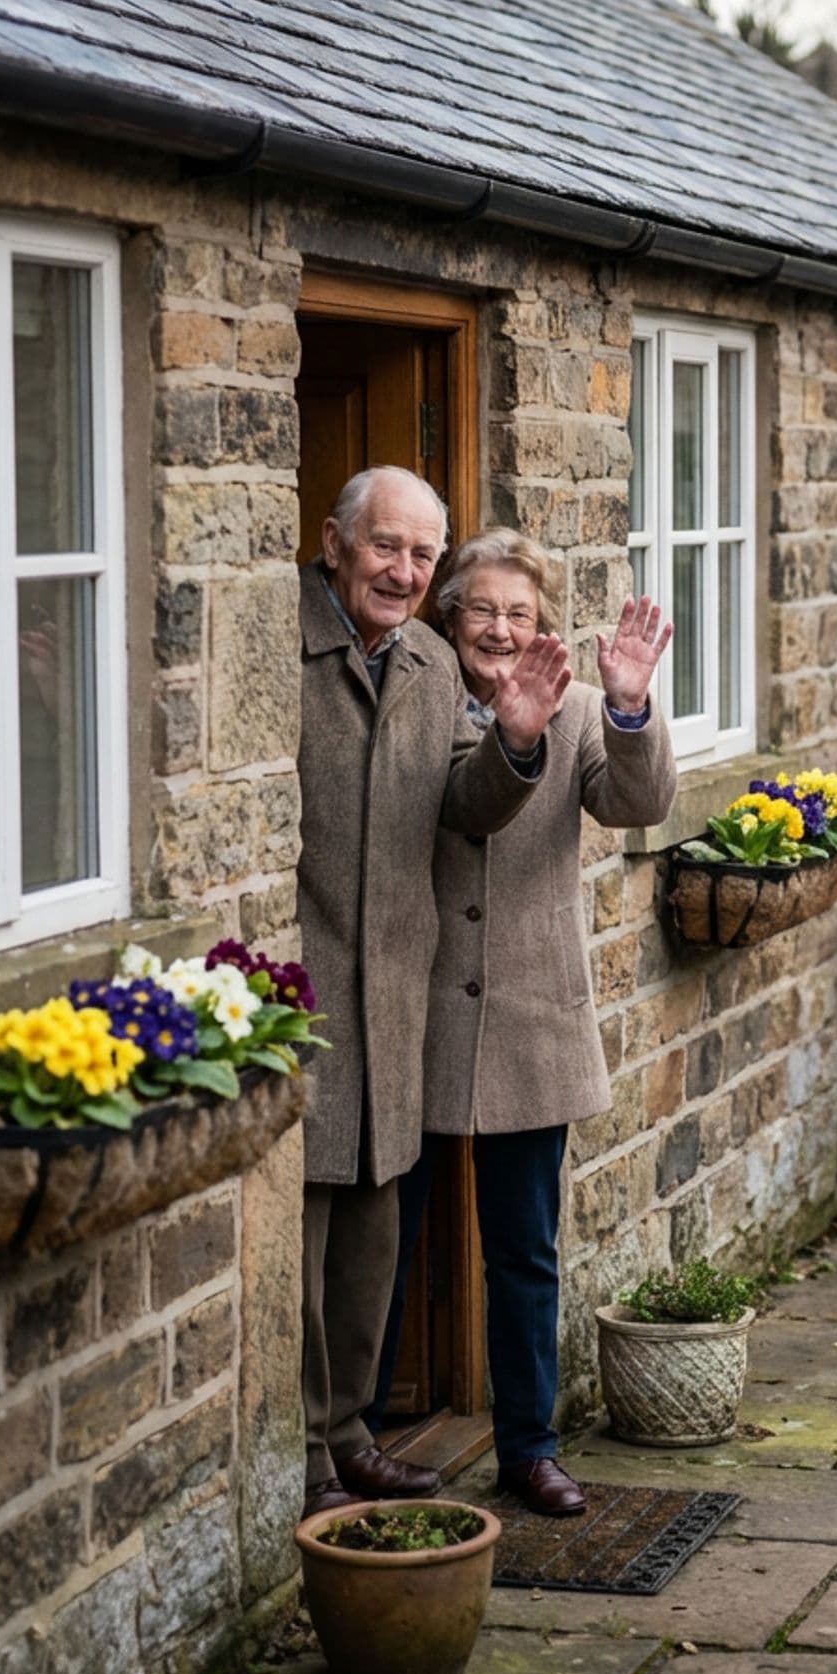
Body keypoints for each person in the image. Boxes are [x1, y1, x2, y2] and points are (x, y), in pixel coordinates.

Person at [371, 530, 677, 1516]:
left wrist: (628, 705)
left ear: (542, 625)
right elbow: (465, 803)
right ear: (448, 620)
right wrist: (511, 735)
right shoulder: (407, 703)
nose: (501, 628)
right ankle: (364, 1436)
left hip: (533, 1016)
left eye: (520, 613)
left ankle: (530, 1447)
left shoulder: (582, 709)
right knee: (388, 1237)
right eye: (482, 611)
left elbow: (637, 803)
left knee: (525, 1249)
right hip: (414, 1013)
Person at [297, 469, 571, 1521]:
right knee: (307, 1238)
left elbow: (468, 801)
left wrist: (515, 739)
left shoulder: (423, 660)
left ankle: (350, 1434)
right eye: (385, 547)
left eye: (421, 554)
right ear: (336, 544)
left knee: (373, 1228)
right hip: (302, 989)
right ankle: (308, 1455)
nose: (402, 572)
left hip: (394, 997)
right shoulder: (285, 643)